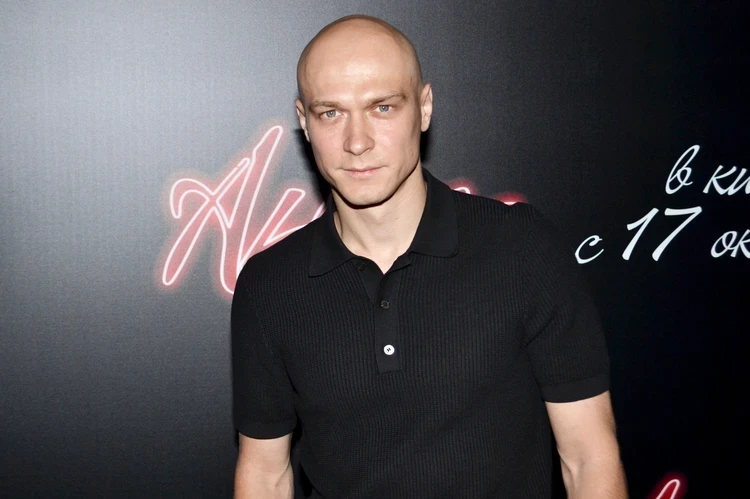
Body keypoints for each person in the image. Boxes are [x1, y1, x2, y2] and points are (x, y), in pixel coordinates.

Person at [231, 14, 627, 499]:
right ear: (304, 122)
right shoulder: (270, 284)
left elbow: (588, 458)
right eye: (331, 113)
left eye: (382, 107)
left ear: (423, 108)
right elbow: (265, 475)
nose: (357, 142)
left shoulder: (522, 249)